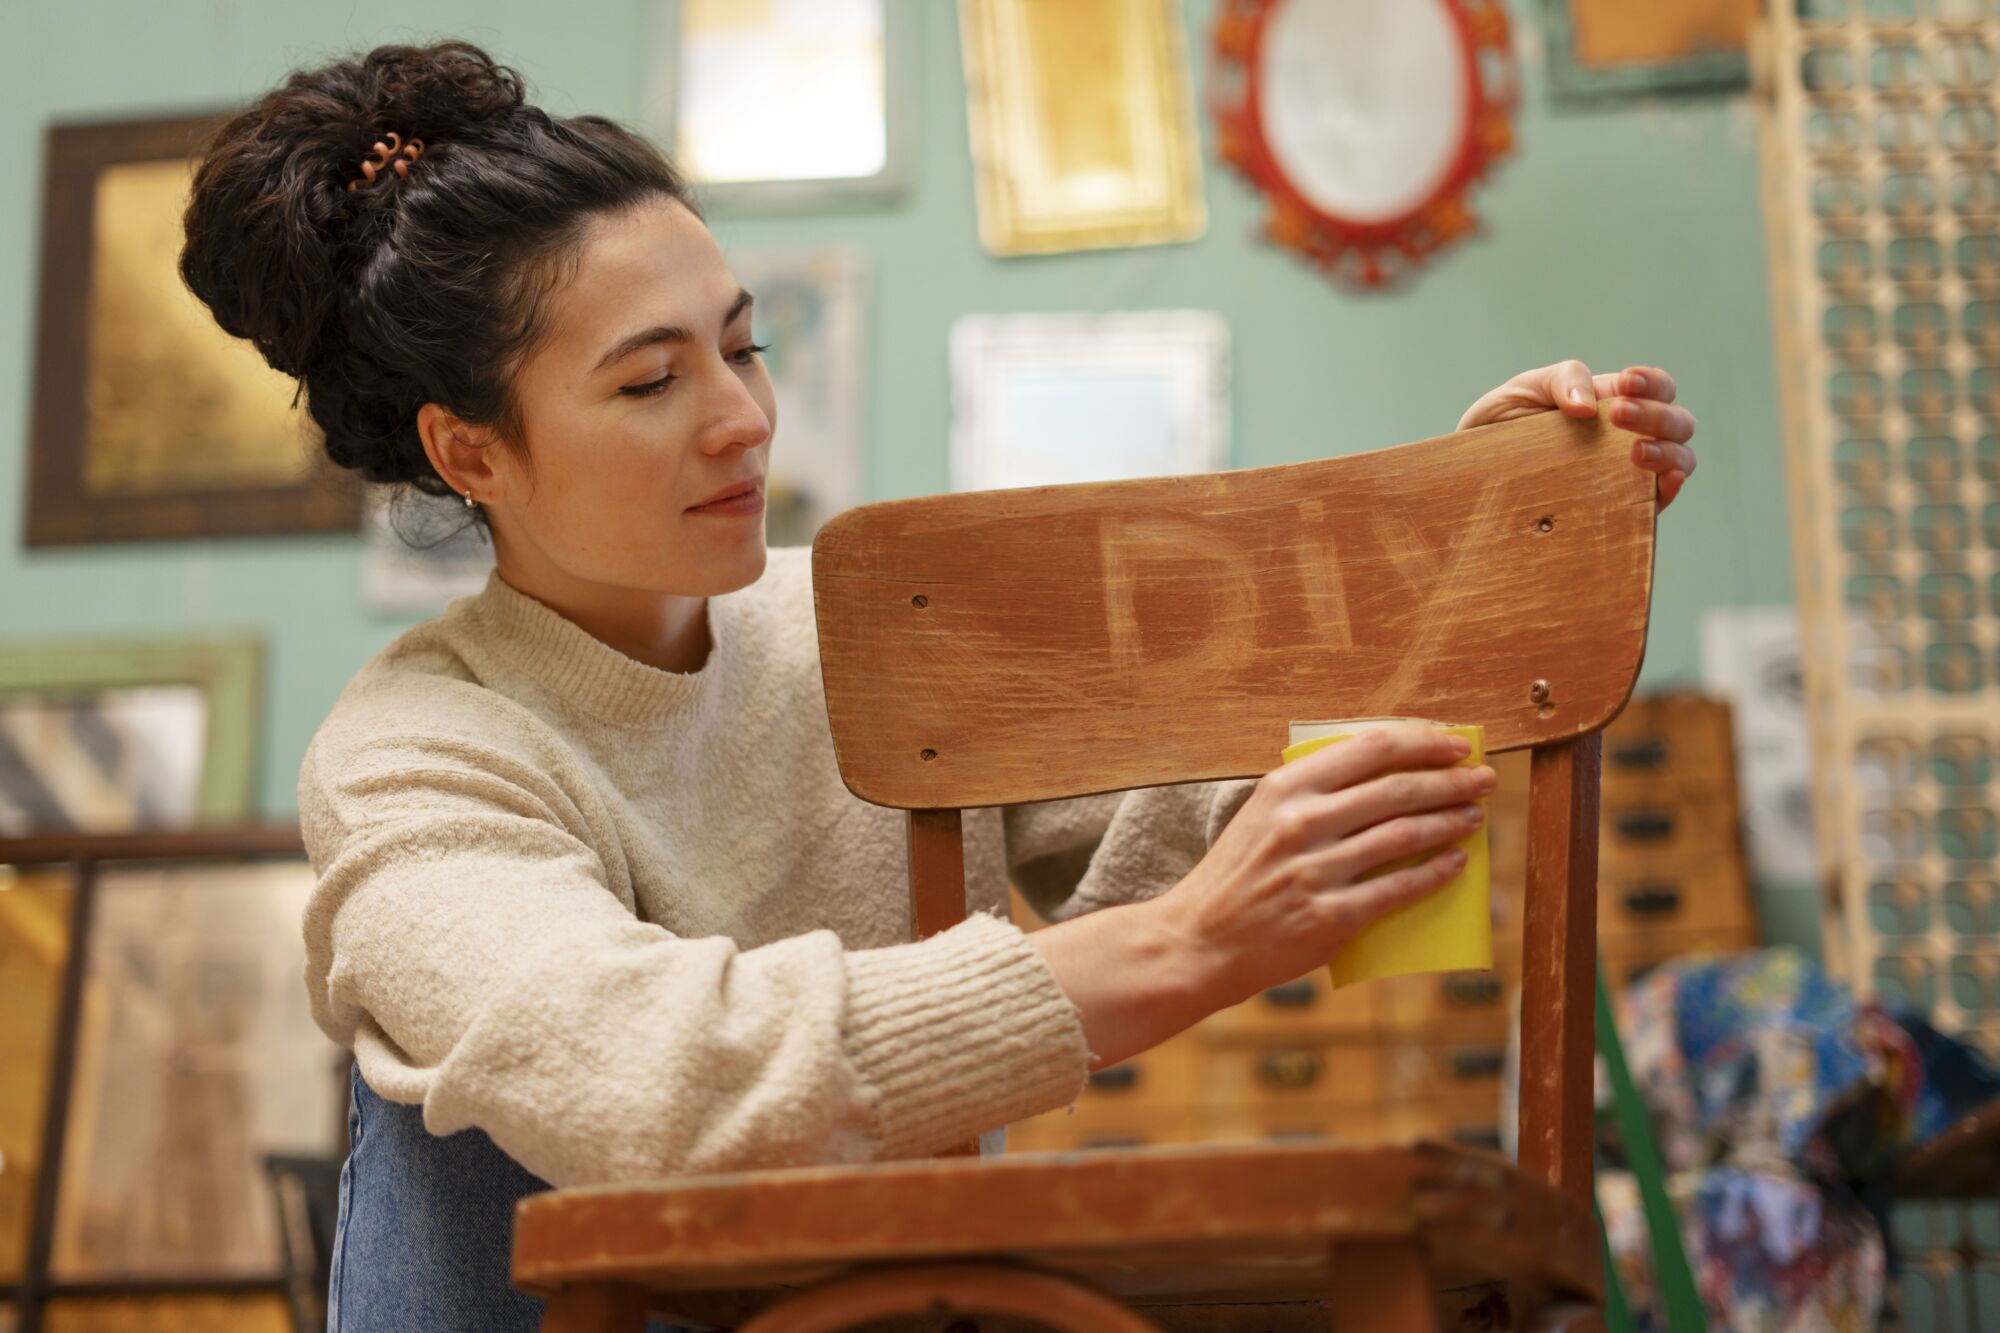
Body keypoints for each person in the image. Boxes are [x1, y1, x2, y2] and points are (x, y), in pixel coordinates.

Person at [176, 39, 1699, 1333]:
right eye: (650, 381)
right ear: (469, 451)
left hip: (875, 1301)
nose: (742, 419)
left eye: (742, 348)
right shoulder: (412, 751)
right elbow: (647, 1081)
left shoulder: (860, 622)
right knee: (516, 1104)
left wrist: (1457, 552)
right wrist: (1188, 942)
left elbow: (1195, 820)